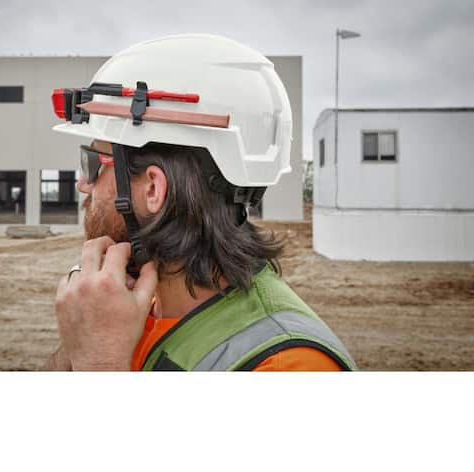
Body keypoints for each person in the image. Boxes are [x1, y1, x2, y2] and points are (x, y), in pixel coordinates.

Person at [44, 34, 357, 371]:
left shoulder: (288, 365)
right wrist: (81, 343)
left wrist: (98, 364)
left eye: (92, 164)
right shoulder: (132, 305)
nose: (82, 184)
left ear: (153, 189)